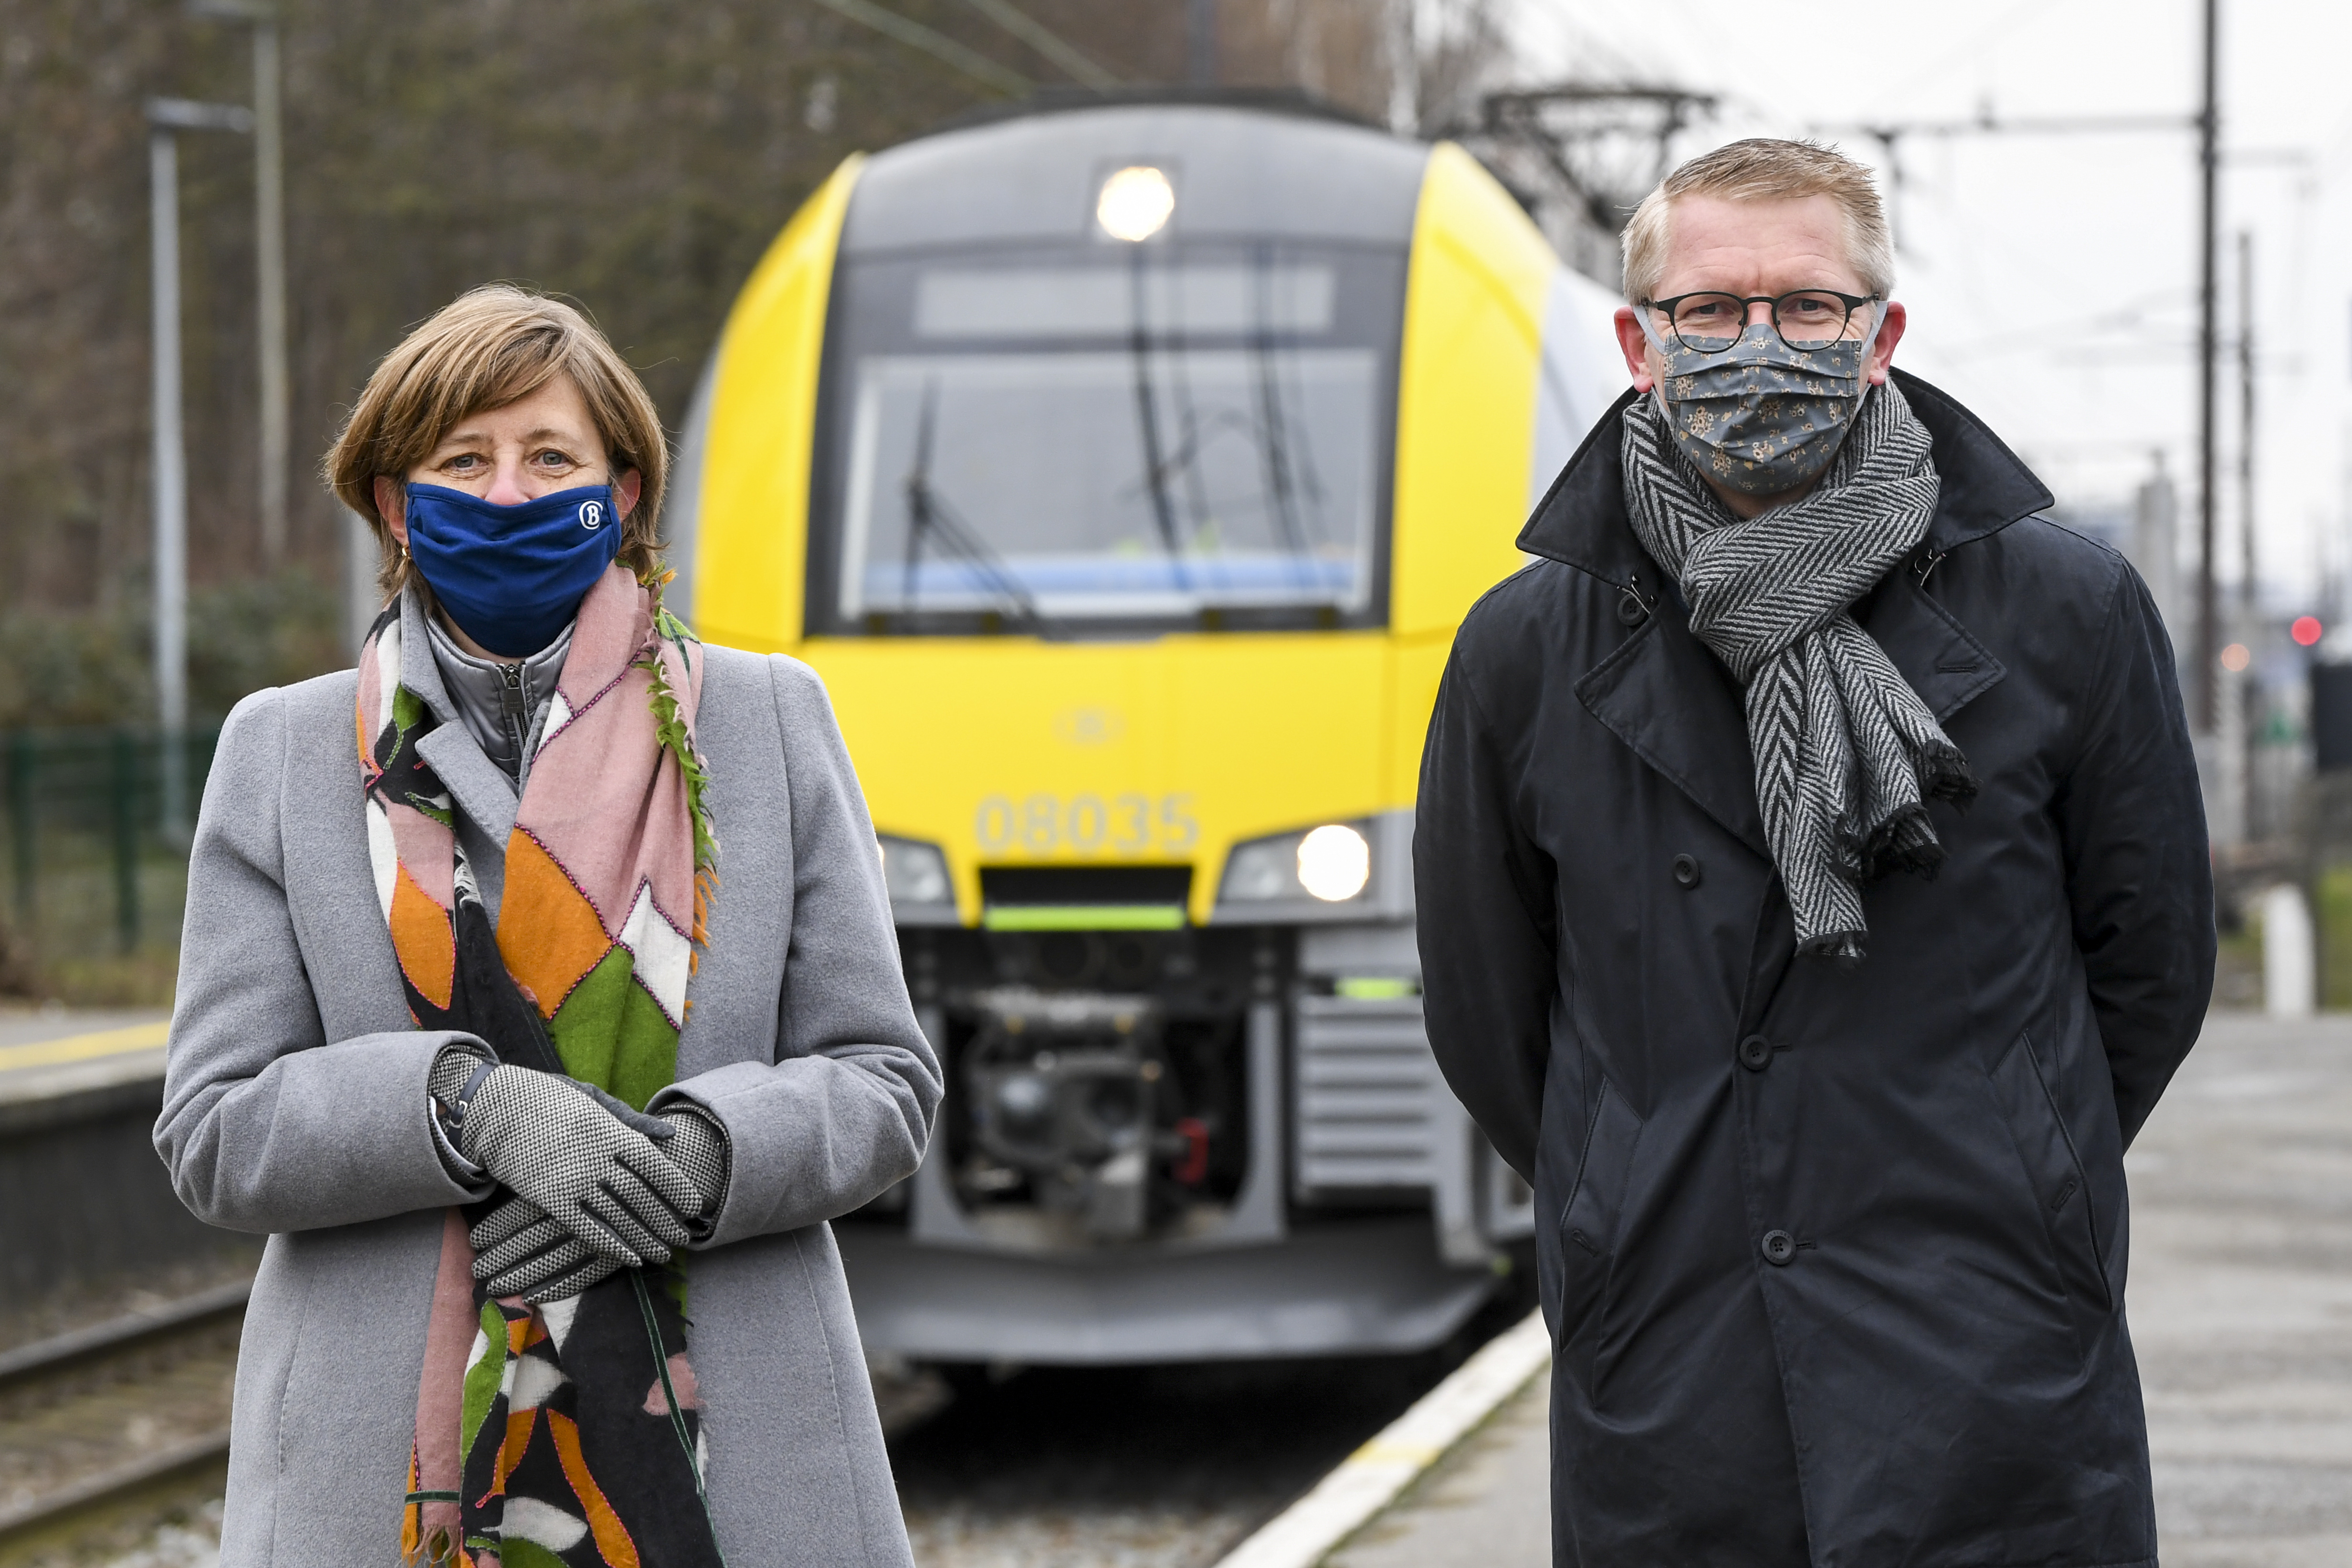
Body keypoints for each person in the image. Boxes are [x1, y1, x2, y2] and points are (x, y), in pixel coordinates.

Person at [1415, 140, 2212, 1566]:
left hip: (1988, 1327)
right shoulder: (1523, 649)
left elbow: (2151, 963)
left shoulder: (2070, 610)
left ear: (1883, 332)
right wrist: (1631, 1186)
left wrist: (2023, 1163)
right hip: (1675, 1325)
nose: (1758, 345)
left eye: (1809, 308)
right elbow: (1488, 1009)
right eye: (1710, 311)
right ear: (1638, 342)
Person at [155, 284, 939, 1567]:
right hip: (381, 1488)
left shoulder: (767, 723)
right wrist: (465, 1107)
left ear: (623, 492)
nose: (509, 494)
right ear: (397, 505)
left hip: (737, 1467)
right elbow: (214, 1131)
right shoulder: (283, 755)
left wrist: (694, 1163)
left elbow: (887, 1081)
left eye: (550, 457)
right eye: (464, 460)